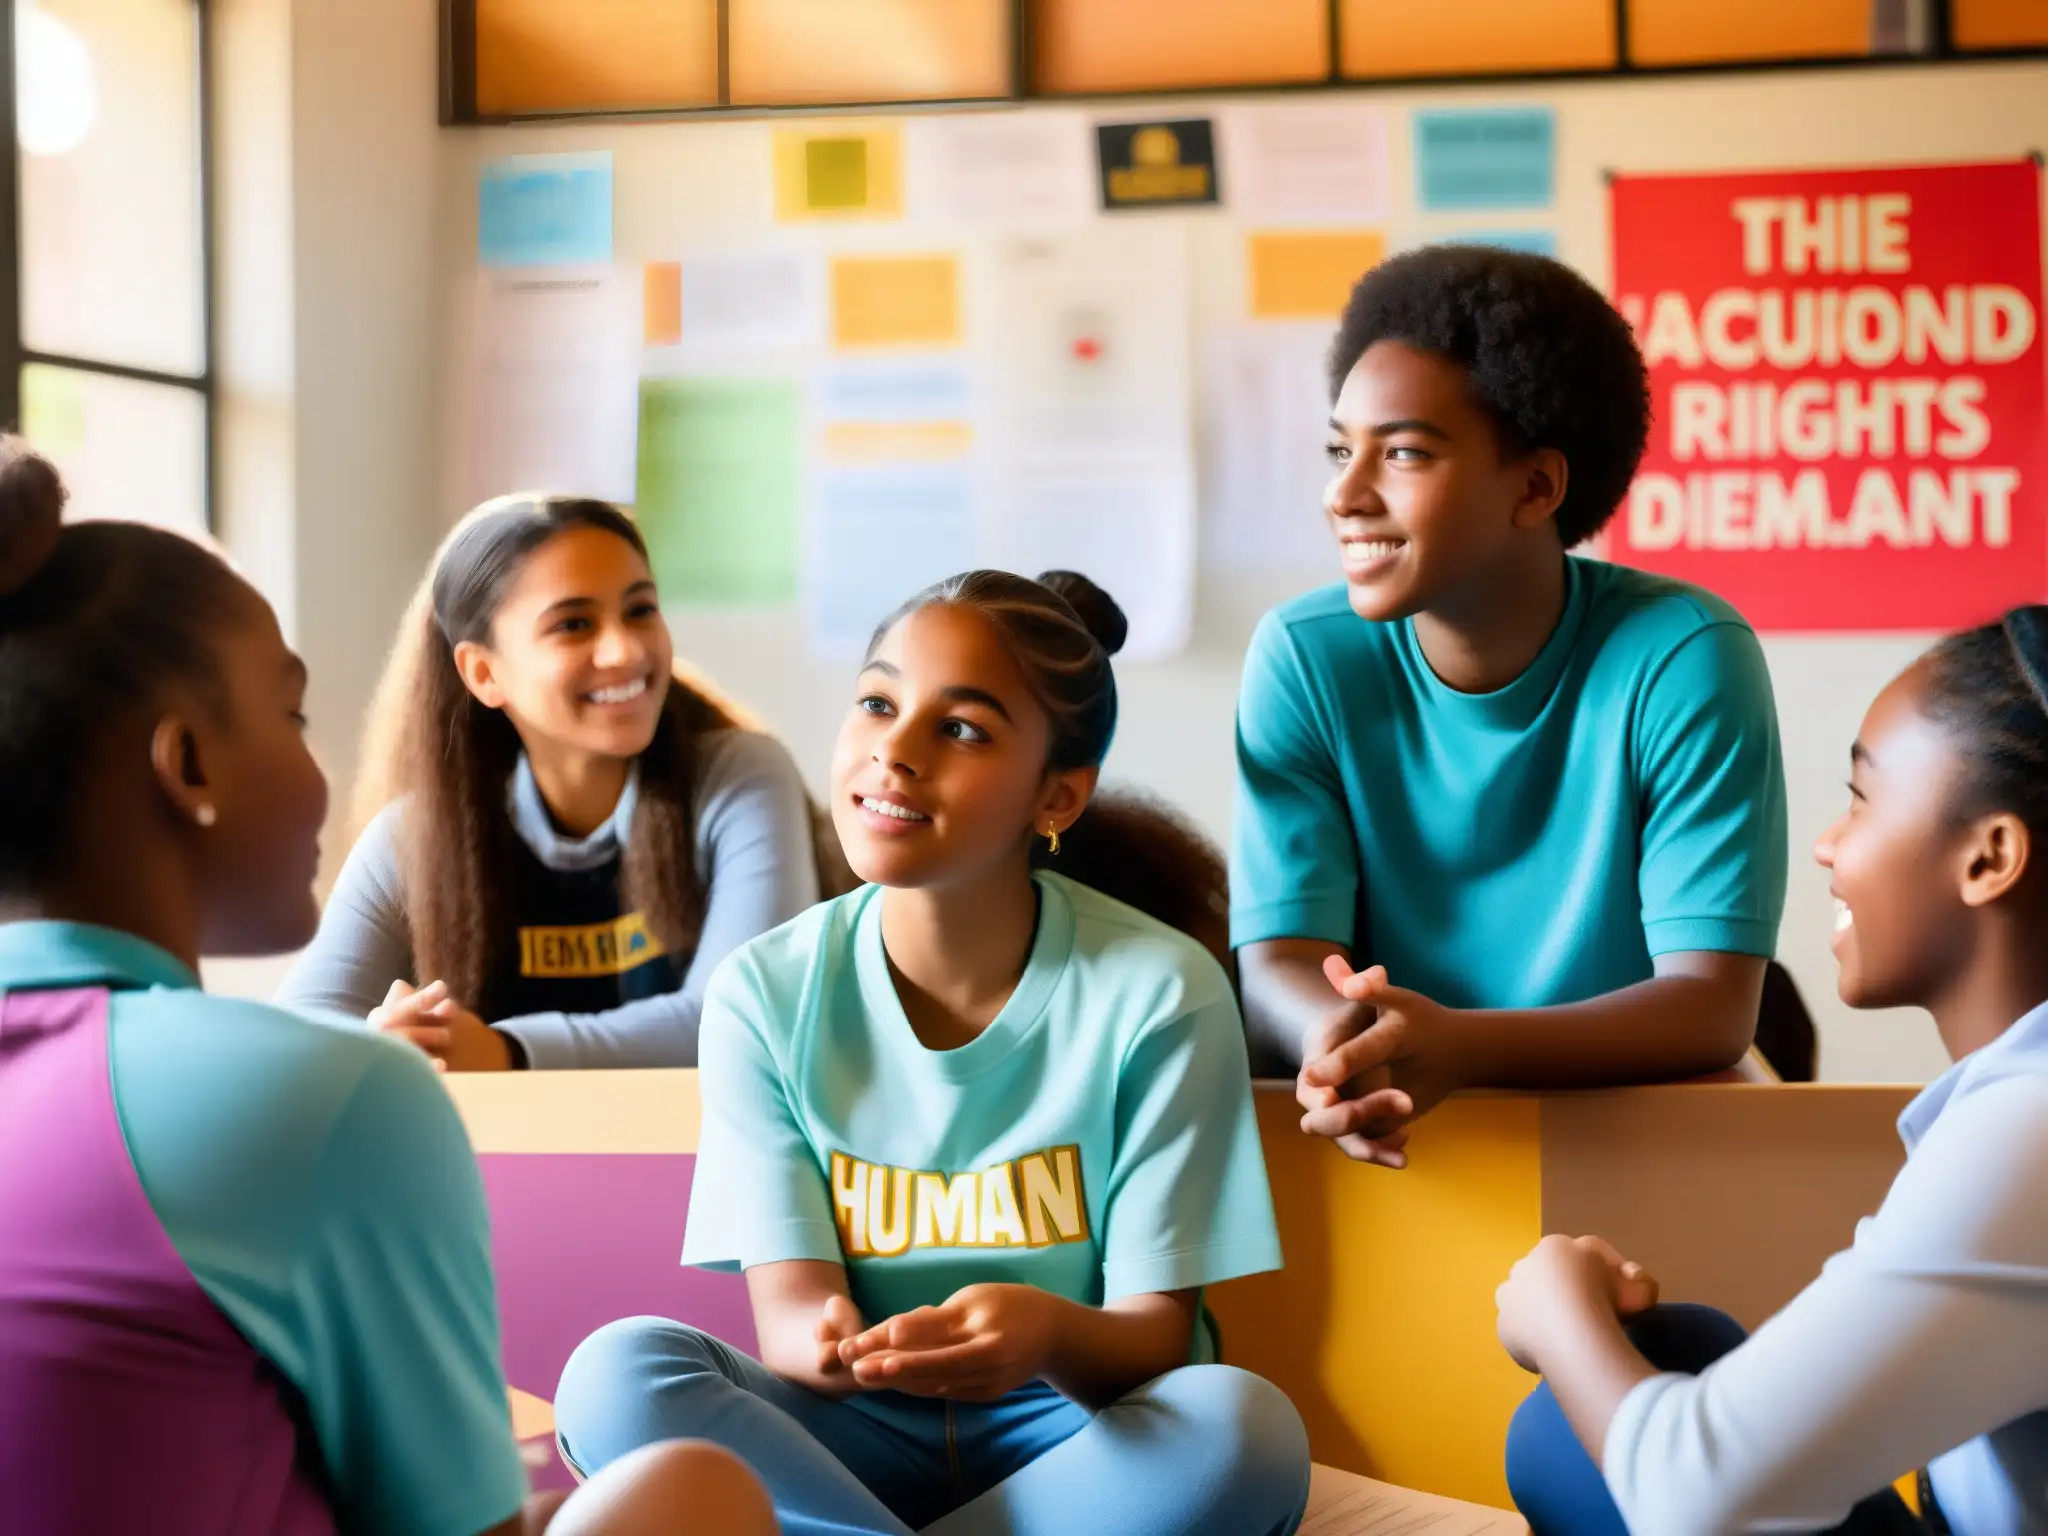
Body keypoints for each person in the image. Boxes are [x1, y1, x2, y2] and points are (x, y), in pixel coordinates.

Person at [0, 439, 778, 1536]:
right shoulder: (334, 1088)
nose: (326, 775)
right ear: (189, 766)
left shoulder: (732, 776)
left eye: (638, 609)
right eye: (291, 713)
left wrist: (493, 1050)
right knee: (689, 1489)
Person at [552, 570, 1311, 1536]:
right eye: (876, 702)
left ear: (1058, 796)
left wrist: (1043, 1333)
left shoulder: (1160, 992)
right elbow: (789, 1317)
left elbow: (1157, 1338)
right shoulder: (765, 992)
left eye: (960, 729)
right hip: (839, 1441)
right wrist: (828, 1344)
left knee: (1242, 1427)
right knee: (618, 1375)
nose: (893, 750)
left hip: (1072, 1440)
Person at [1495, 607, 2048, 1535]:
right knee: (1678, 1349)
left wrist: (1555, 1312)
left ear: (1989, 857)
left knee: (1564, 1430)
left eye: (1862, 799)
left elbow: (1695, 1497)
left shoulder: (2028, 1130)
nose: (1828, 847)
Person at [1233, 244, 1788, 1167]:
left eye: (1403, 452)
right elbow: (1279, 959)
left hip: (1639, 1133)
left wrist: (1461, 1044)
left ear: (1536, 486)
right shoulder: (1304, 659)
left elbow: (1712, 1008)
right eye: (1341, 449)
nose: (1343, 494)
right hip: (1417, 1137)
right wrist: (1340, 1043)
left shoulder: (1685, 658)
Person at [280, 495, 845, 1070]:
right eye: (574, 624)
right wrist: (385, 1039)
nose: (625, 649)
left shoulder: (740, 777)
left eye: (640, 610)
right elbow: (302, 1031)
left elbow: (743, 1018)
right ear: (484, 672)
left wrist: (507, 1050)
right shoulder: (414, 837)